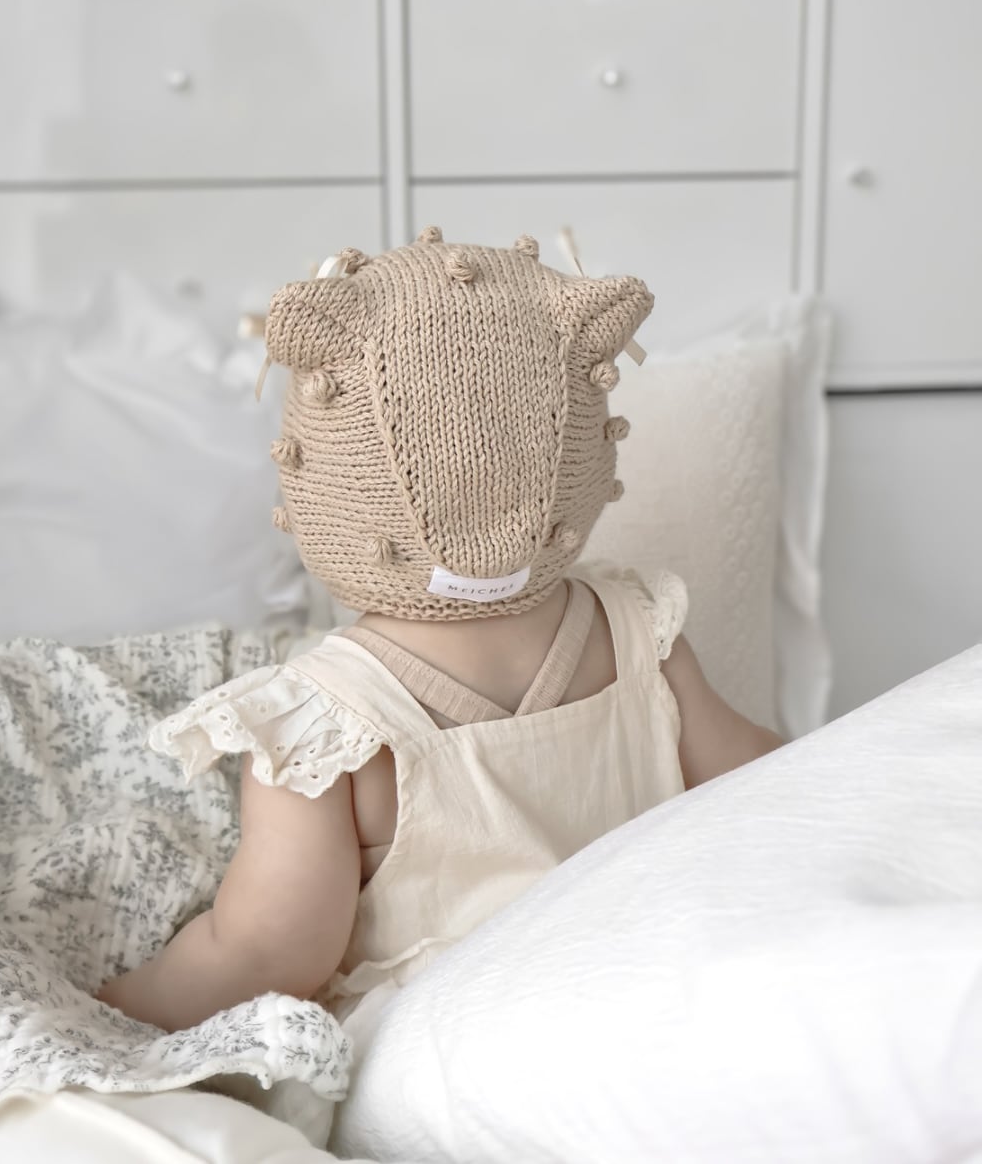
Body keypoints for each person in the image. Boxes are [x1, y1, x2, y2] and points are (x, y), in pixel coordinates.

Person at [97, 227, 782, 1034]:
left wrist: (114, 1008)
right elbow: (772, 790)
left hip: (461, 1045)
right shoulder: (639, 634)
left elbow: (266, 954)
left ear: (324, 475)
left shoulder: (323, 727)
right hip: (650, 993)